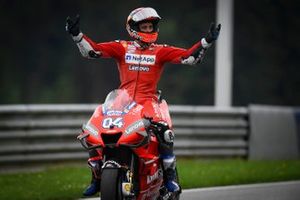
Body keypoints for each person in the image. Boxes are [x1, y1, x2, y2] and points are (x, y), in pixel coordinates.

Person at [66, 7, 221, 197]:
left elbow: (189, 58)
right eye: (145, 27)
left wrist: (206, 42)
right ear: (132, 28)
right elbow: (94, 51)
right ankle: (97, 177)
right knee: (91, 131)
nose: (148, 30)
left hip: (149, 102)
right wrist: (77, 36)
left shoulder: (161, 51)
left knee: (164, 132)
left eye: (150, 27)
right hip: (122, 102)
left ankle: (170, 177)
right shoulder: (121, 47)